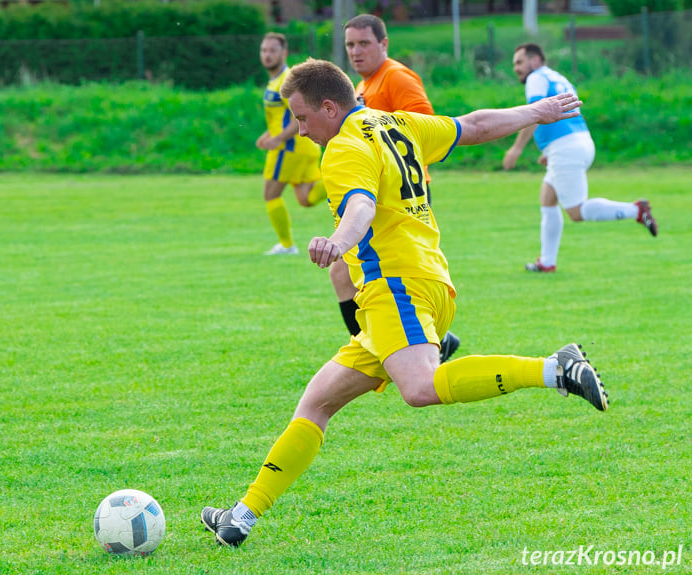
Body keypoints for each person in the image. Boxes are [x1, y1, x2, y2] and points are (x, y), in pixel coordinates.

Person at [201, 58, 609, 548]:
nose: (301, 129)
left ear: (329, 107)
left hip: (395, 287)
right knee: (315, 405)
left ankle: (554, 368)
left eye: (304, 118)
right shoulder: (392, 122)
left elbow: (361, 206)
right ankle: (240, 517)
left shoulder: (343, 148)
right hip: (424, 284)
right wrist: (535, 111)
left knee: (419, 387)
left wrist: (338, 240)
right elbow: (473, 125)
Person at [333, 13, 460, 362]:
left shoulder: (397, 77)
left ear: (384, 44)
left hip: (401, 197)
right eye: (350, 45)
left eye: (364, 44)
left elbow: (424, 128)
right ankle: (421, 343)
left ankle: (378, 354)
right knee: (349, 273)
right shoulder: (361, 87)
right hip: (375, 197)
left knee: (347, 271)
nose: (356, 52)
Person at [503, 43, 658, 273]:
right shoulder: (557, 77)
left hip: (566, 147)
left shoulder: (536, 77)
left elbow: (534, 114)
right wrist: (551, 152)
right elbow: (565, 114)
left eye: (519, 62)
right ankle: (547, 262)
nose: (516, 68)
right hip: (578, 141)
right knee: (547, 197)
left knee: (576, 212)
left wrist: (516, 148)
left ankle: (636, 210)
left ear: (535, 60)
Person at [256, 32, 327, 255]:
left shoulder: (287, 82)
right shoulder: (277, 80)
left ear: (284, 53)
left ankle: (287, 246)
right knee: (306, 199)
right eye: (264, 50)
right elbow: (284, 116)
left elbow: (301, 116)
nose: (267, 55)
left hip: (290, 148)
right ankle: (337, 176)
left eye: (272, 51)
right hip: (301, 147)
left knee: (270, 194)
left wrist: (278, 138)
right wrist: (269, 133)